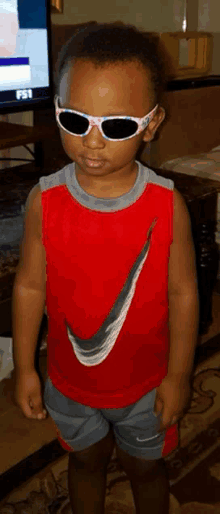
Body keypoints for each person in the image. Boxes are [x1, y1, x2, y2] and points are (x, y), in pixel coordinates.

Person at [12, 22, 199, 514]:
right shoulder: (44, 201)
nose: (92, 142)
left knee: (145, 469)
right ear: (56, 111)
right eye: (75, 120)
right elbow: (30, 285)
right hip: (69, 384)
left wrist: (179, 376)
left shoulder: (165, 204)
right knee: (85, 462)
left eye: (116, 126)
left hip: (145, 383)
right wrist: (25, 367)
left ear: (151, 124)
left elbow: (183, 294)